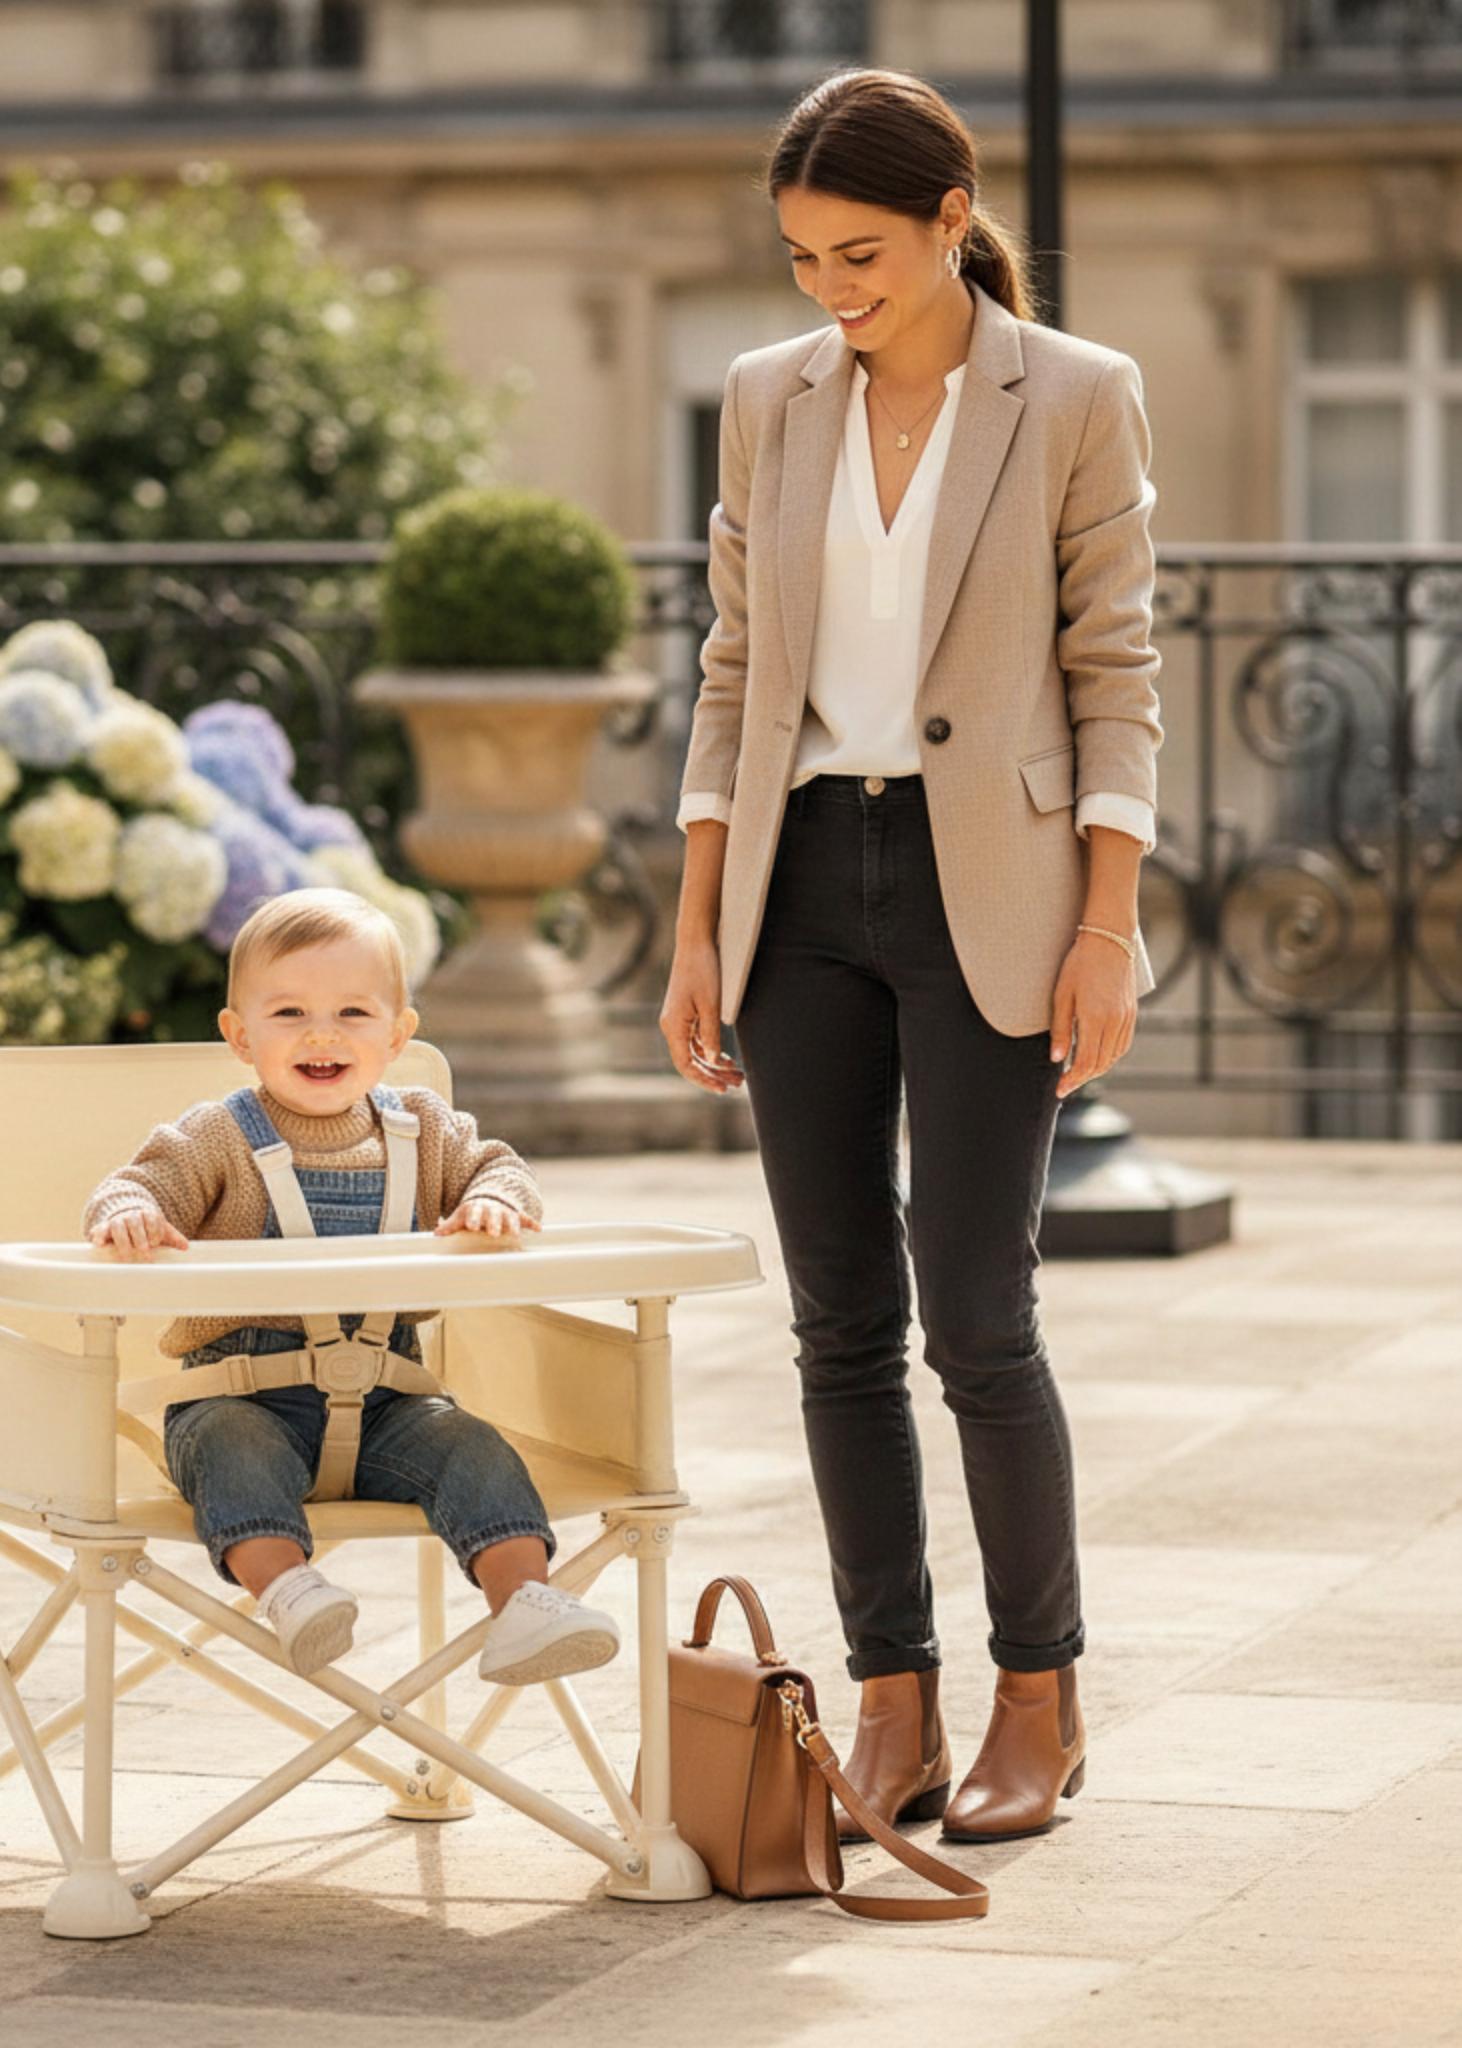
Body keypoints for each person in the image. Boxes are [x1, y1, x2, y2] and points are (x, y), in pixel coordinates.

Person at [659, 70, 1161, 1844]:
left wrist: (1105, 919)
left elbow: (1114, 672)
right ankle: (894, 1701)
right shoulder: (763, 398)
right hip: (797, 886)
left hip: (995, 890)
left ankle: (1041, 1691)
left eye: (855, 253)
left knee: (978, 1311)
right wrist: (696, 911)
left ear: (951, 218)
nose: (824, 290)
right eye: (797, 257)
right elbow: (732, 666)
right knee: (834, 1324)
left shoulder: (1071, 394)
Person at [83, 886, 621, 1687]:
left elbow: (502, 1168)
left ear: (400, 1033)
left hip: (390, 1398)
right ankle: (291, 1590)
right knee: (228, 1451)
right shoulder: (216, 1136)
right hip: (244, 1391)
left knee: (473, 1448)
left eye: (354, 1015)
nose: (322, 1035)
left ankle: (523, 1604)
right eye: (290, 1013)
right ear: (239, 1036)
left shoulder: (425, 1129)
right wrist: (128, 1212)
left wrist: (495, 1199)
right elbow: (134, 1186)